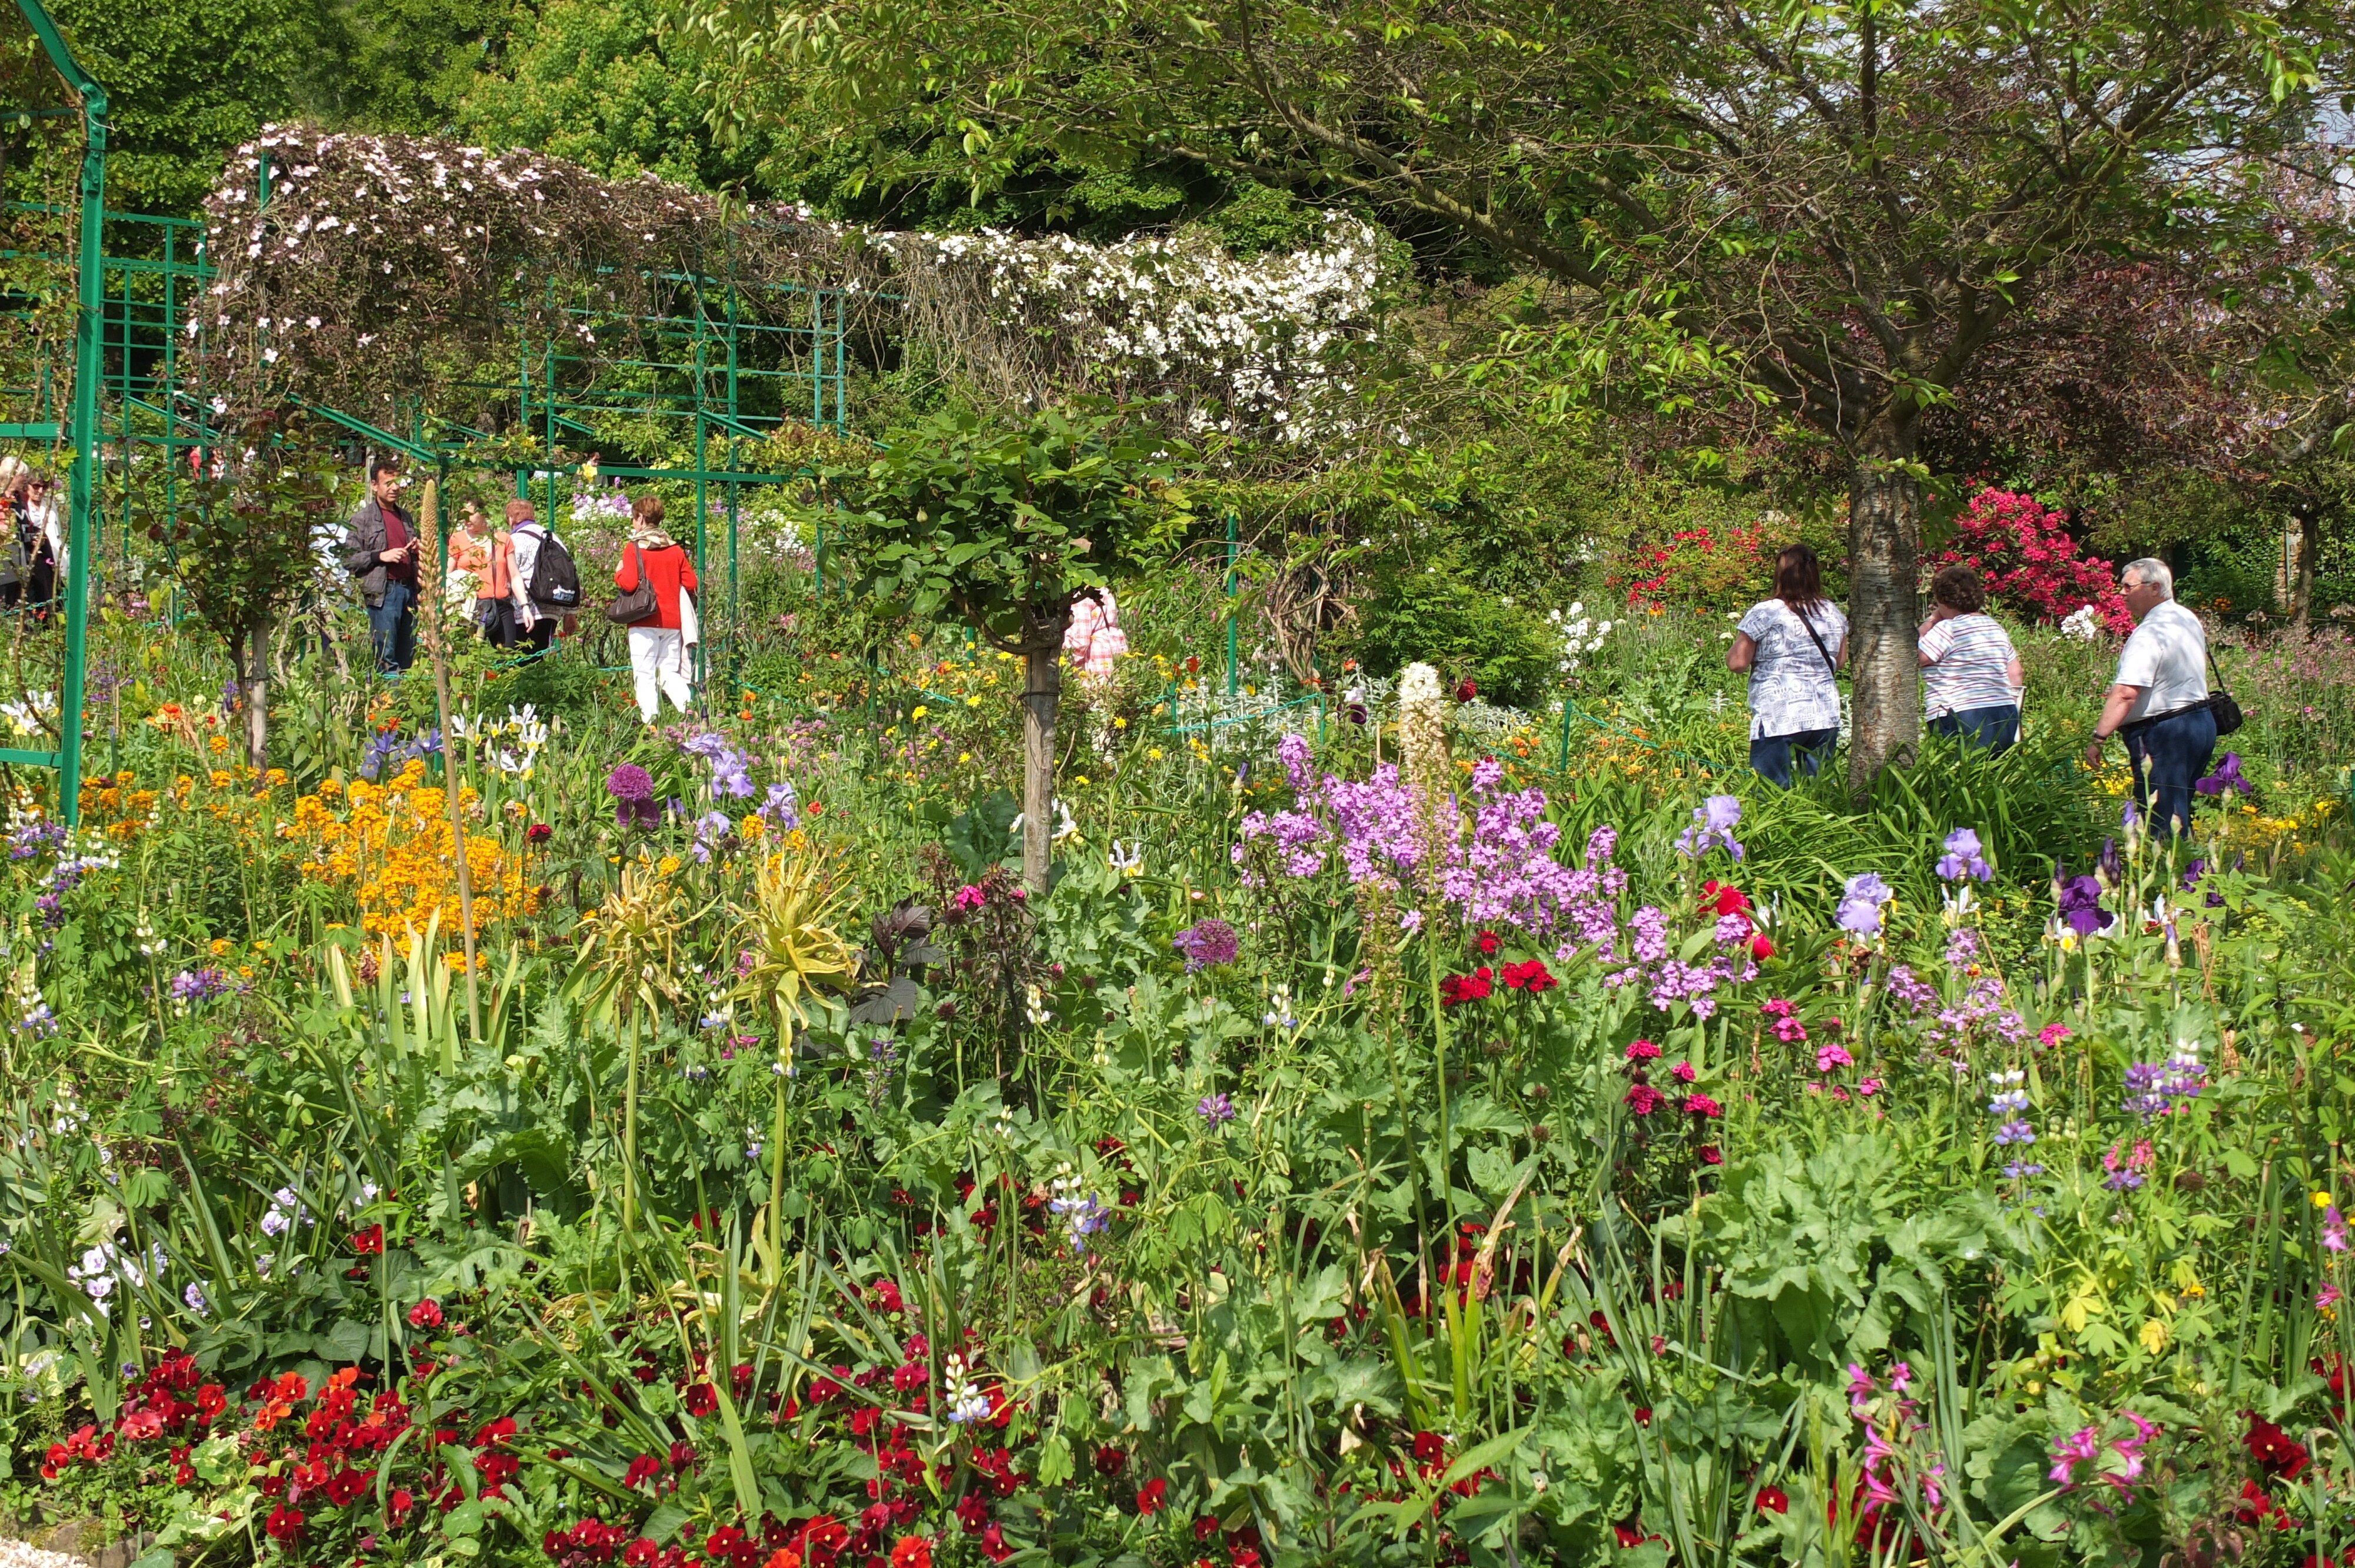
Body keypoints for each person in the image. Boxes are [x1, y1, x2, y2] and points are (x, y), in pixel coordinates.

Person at [2085, 557, 2215, 836]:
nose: (2122, 594)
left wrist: (2099, 738)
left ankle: (2174, 877)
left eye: (2128, 587)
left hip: (2167, 732)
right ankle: (2190, 873)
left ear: (2155, 587)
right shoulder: (2185, 617)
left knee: (2162, 822)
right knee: (2179, 813)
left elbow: (2126, 693)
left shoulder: (2149, 633)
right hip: (2199, 723)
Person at [1728, 543, 1848, 787]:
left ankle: (1775, 825)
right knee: (1819, 789)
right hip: (1823, 712)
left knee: (1771, 791)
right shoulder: (1833, 612)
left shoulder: (1767, 612)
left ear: (1780, 575)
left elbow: (1738, 663)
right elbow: (1841, 661)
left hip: (1777, 713)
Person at [1918, 564, 2025, 754]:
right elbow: (2016, 674)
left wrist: (1931, 621)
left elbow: (1914, 657)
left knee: (1962, 777)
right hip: (2004, 713)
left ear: (1943, 600)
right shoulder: (1994, 627)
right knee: (1993, 777)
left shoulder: (1947, 629)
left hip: (1962, 714)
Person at [613, 494, 698, 722]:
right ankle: (692, 712)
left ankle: (650, 724)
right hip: (672, 621)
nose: (633, 522)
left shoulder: (634, 549)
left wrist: (618, 572)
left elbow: (630, 583)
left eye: (634, 518)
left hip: (644, 620)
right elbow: (691, 583)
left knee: (645, 675)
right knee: (668, 674)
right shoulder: (675, 549)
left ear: (641, 518)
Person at [339, 459, 418, 672]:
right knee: (386, 654)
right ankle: (388, 700)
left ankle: (404, 701)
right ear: (375, 485)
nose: (394, 488)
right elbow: (349, 559)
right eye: (388, 483)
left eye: (397, 483)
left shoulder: (406, 517)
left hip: (409, 590)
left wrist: (417, 549)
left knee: (408, 653)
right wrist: (380, 556)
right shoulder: (362, 519)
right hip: (384, 593)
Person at [506, 499, 566, 653]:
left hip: (524, 609)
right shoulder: (553, 538)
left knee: (522, 656)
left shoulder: (514, 540)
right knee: (539, 654)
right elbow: (568, 572)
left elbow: (510, 576)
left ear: (511, 519)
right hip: (552, 606)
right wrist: (571, 614)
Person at [1063, 587, 1129, 683]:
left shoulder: (1082, 598)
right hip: (1113, 645)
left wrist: (1066, 662)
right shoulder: (1103, 591)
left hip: (1096, 654)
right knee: (1115, 691)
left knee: (1095, 693)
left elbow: (1080, 641)